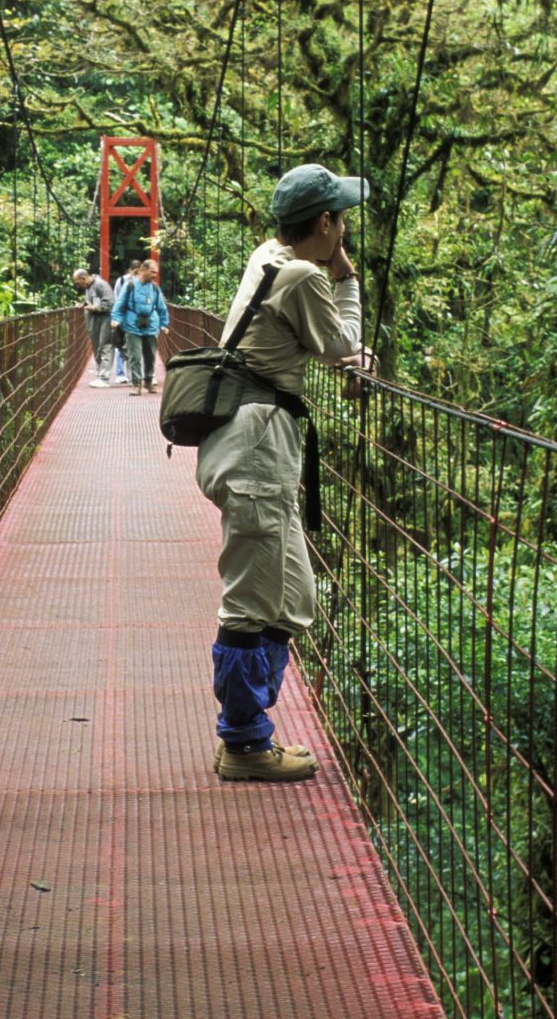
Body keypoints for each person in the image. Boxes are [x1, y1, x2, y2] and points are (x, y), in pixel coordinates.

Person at [197, 163, 368, 783]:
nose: (344, 229)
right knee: (249, 603)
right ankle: (243, 744)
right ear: (324, 223)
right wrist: (344, 271)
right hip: (256, 450)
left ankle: (251, 726)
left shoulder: (267, 254)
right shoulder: (301, 276)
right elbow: (344, 342)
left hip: (257, 443)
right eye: (340, 220)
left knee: (292, 597)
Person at [110, 259, 169, 395]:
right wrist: (115, 318)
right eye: (152, 272)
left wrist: (164, 323)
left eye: (156, 273)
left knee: (150, 355)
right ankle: (136, 384)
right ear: (143, 270)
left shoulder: (154, 287)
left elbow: (161, 307)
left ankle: (148, 381)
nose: (155, 275)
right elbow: (120, 303)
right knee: (134, 355)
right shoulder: (130, 285)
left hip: (151, 324)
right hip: (132, 324)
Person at [72, 267, 116, 388]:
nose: (77, 285)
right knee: (97, 347)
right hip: (95, 322)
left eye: (77, 282)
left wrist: (95, 308)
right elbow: (92, 303)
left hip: (105, 321)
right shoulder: (88, 287)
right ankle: (100, 374)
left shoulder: (102, 285)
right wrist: (83, 305)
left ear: (83, 278)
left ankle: (104, 378)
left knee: (106, 346)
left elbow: (110, 303)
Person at [110, 259, 141, 384]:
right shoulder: (123, 280)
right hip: (128, 318)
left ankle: (126, 374)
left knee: (127, 345)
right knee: (124, 345)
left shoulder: (140, 281)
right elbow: (117, 298)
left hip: (130, 318)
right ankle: (125, 373)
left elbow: (115, 298)